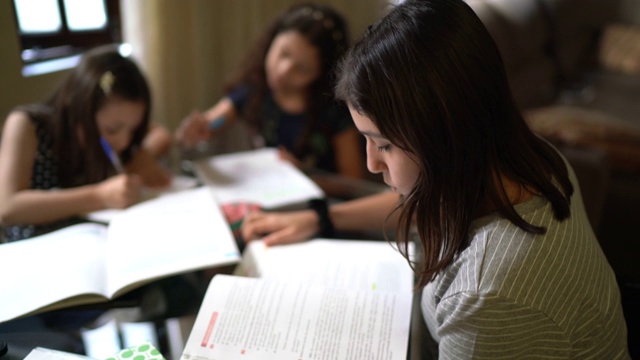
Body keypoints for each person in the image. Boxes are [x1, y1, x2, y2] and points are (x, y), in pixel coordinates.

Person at [241, 0, 630, 357]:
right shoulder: (534, 161)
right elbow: (422, 199)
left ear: (445, 137)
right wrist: (322, 218)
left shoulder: (490, 297)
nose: (371, 164)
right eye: (365, 139)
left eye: (385, 145)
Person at [0, 46, 172, 242]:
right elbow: (7, 207)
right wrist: (99, 196)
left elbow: (161, 134)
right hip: (36, 249)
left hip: (97, 239)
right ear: (79, 107)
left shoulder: (121, 128)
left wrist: (143, 155)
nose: (124, 142)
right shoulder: (26, 124)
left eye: (133, 130)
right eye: (112, 129)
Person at [175, 2, 365, 180]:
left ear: (322, 74)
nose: (283, 71)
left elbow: (352, 180)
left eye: (302, 69)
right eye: (283, 53)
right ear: (271, 40)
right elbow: (213, 121)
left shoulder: (335, 111)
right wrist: (197, 130)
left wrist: (303, 174)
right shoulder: (254, 89)